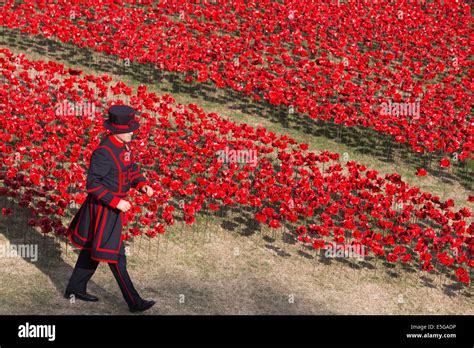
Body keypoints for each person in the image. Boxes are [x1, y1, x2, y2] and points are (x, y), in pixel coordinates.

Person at [64, 105, 155, 313]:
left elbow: (130, 169)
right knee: (115, 256)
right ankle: (135, 302)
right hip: (104, 211)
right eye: (129, 129)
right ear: (116, 130)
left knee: (91, 249)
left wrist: (142, 184)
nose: (133, 132)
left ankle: (75, 288)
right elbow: (93, 185)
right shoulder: (104, 152)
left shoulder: (124, 145)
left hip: (110, 210)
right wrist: (117, 202)